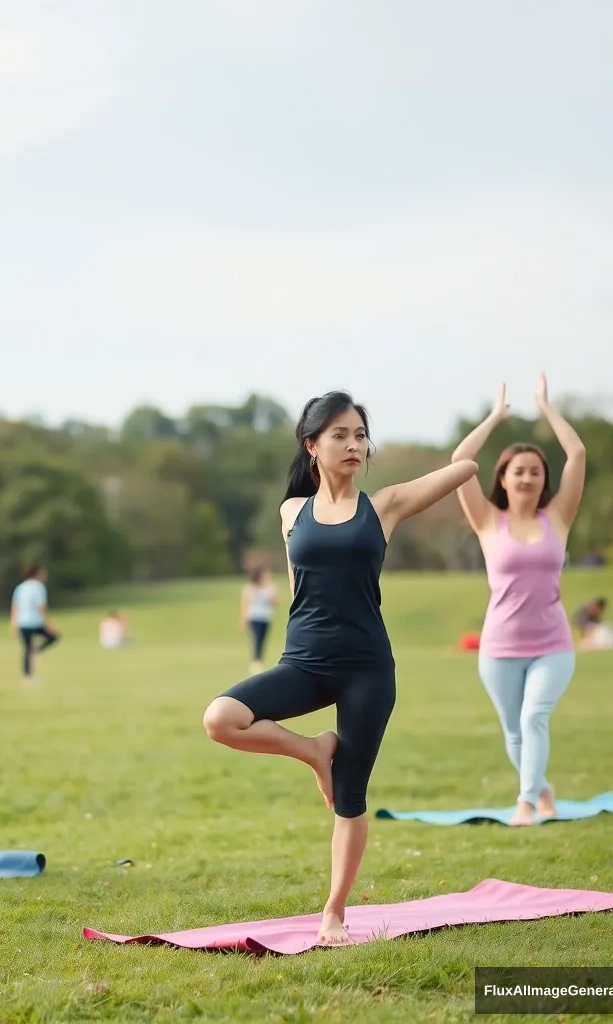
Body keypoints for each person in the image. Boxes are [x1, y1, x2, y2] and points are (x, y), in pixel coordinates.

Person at [202, 390, 479, 945]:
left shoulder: (386, 505)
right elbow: (300, 590)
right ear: (311, 446)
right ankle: (313, 750)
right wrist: (306, 743)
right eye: (340, 435)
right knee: (220, 718)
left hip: (366, 670)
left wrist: (484, 426)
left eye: (360, 435)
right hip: (303, 662)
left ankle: (334, 912)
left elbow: (465, 467)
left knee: (350, 797)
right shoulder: (291, 513)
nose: (354, 445)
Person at [451, 374, 586, 827]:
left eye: (535, 470)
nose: (528, 477)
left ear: (544, 479)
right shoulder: (488, 520)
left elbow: (578, 454)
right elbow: (461, 459)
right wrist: (495, 418)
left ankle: (525, 802)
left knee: (535, 718)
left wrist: (547, 408)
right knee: (514, 731)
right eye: (518, 470)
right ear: (503, 479)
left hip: (553, 643)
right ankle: (543, 789)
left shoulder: (559, 517)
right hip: (500, 647)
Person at [11, 564, 59, 684]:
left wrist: (13, 623)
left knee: (26, 648)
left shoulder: (20, 587)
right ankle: (37, 650)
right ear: (36, 574)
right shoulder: (38, 587)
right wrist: (48, 623)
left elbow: (15, 607)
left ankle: (27, 675)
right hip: (35, 622)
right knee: (53, 637)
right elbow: (41, 607)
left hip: (22, 622)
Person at [240, 567, 277, 672]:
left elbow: (275, 601)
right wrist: (243, 619)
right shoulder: (250, 588)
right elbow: (245, 603)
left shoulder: (269, 588)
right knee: (257, 638)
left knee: (263, 639)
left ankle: (259, 660)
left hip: (266, 617)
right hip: (254, 616)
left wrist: (270, 589)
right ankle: (256, 661)